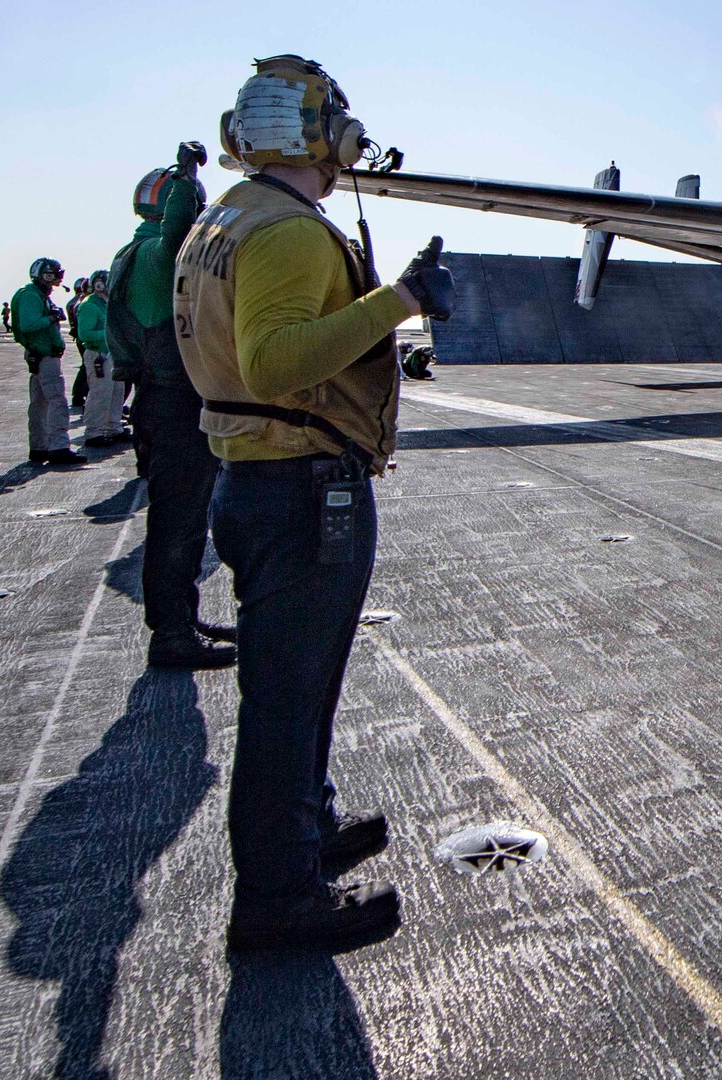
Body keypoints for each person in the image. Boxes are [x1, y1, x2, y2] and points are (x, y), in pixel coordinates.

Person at [175, 54, 453, 951]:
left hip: (257, 477)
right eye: (339, 121)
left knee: (295, 688)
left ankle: (306, 830)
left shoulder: (226, 218)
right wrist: (400, 300)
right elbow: (278, 362)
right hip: (298, 486)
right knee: (289, 697)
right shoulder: (289, 230)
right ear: (321, 134)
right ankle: (277, 897)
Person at [109, 145, 237, 670]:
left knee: (176, 519)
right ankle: (173, 635)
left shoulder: (127, 254)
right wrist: (187, 174)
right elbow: (181, 226)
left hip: (156, 402)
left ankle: (181, 618)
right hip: (176, 403)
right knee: (179, 522)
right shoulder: (158, 257)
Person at [10, 259, 85, 466]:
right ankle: (58, 447)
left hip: (39, 354)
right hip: (44, 355)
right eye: (53, 274)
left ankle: (39, 447)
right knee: (56, 401)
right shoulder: (31, 296)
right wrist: (51, 318)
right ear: (45, 275)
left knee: (39, 403)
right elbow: (28, 324)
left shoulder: (33, 294)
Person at [77, 271, 128, 447]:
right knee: (100, 394)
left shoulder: (107, 304)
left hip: (111, 353)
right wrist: (110, 333)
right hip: (99, 354)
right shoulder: (90, 305)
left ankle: (113, 427)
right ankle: (93, 432)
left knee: (116, 392)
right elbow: (85, 334)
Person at [67, 278, 90, 409]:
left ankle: (79, 394)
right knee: (87, 366)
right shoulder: (83, 302)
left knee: (85, 365)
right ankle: (81, 394)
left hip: (79, 336)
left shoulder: (73, 303)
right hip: (83, 337)